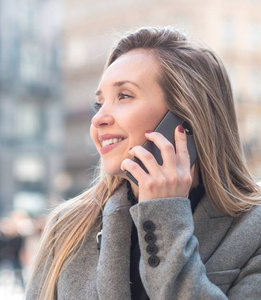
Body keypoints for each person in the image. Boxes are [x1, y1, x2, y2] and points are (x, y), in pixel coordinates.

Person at [26, 27, 261, 299]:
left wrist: (164, 216)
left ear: (184, 117)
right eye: (98, 104)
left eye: (124, 96)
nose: (98, 118)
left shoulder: (253, 229)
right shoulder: (68, 227)